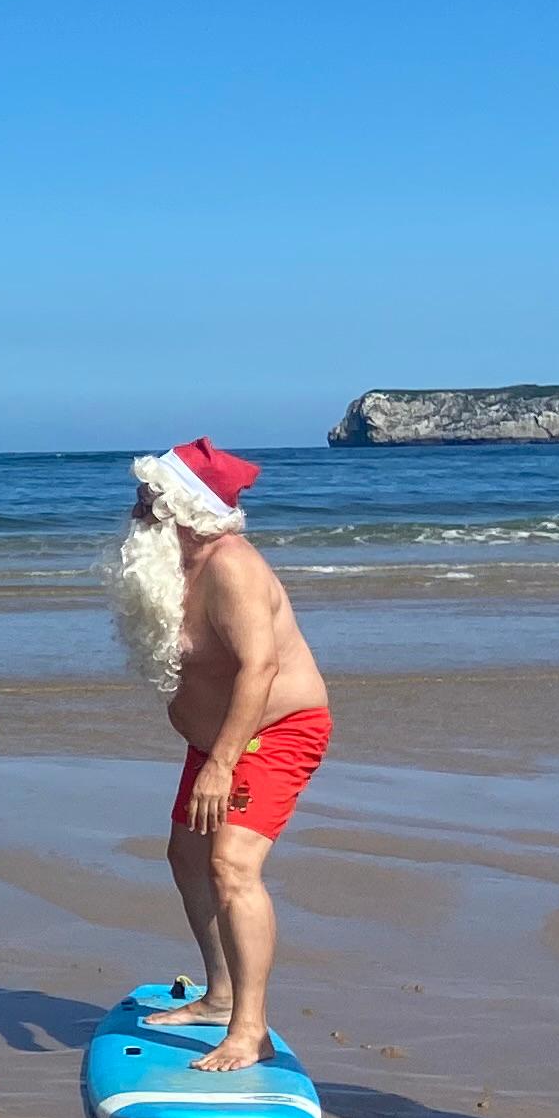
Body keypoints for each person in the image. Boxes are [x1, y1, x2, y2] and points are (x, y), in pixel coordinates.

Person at [111, 440, 331, 1075]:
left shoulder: (231, 565)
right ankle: (220, 995)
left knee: (232, 866)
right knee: (186, 855)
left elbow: (259, 667)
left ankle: (250, 1029)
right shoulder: (177, 562)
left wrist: (221, 762)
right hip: (220, 739)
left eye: (148, 497)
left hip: (278, 728)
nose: (137, 507)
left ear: (183, 506)